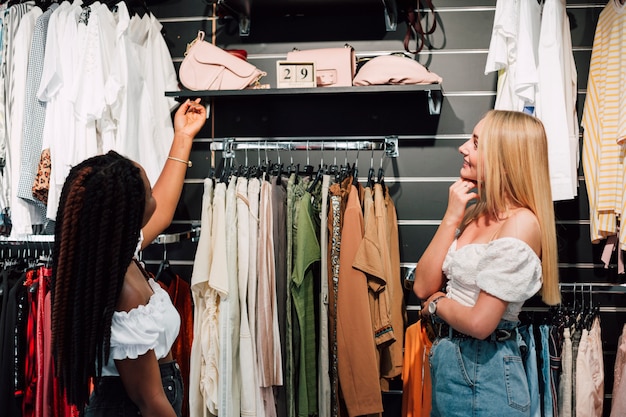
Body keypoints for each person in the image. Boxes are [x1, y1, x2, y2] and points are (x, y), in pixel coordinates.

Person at [51, 98, 207, 417]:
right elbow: (151, 402)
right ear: (130, 214)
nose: (153, 197)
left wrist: (183, 137)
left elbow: (161, 209)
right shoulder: (127, 296)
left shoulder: (118, 254)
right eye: (147, 193)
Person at [412, 110, 560, 417]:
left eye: (476, 143)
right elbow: (423, 286)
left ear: (504, 158)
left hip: (486, 369)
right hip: (453, 363)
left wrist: (438, 303)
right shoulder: (476, 213)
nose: (463, 148)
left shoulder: (521, 224)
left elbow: (481, 324)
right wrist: (451, 216)